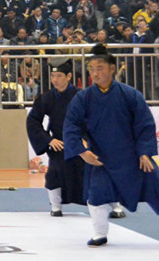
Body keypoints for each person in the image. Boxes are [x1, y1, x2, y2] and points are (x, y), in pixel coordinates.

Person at [63, 44, 159, 247]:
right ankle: (100, 234)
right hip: (101, 160)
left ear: (112, 68)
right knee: (96, 195)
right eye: (91, 69)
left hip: (133, 159)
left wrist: (145, 153)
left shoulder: (130, 95)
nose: (95, 73)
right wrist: (82, 152)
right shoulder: (83, 98)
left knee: (156, 190)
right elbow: (71, 126)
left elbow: (145, 125)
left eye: (100, 68)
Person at [26, 61, 85, 216]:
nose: (55, 80)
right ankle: (56, 207)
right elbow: (33, 121)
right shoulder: (47, 98)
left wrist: (87, 140)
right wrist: (48, 140)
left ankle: (115, 206)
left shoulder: (82, 96)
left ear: (69, 76)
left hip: (80, 144)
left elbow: (95, 119)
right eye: (53, 76)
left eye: (59, 76)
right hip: (59, 143)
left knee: (97, 173)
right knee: (54, 175)